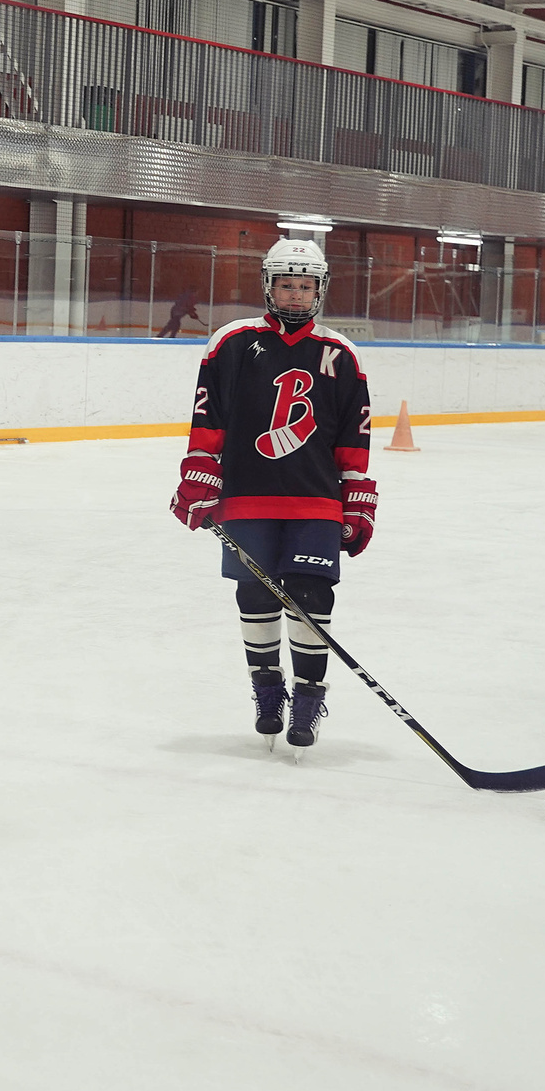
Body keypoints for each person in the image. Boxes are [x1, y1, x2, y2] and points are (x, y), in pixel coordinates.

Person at [168, 238, 377, 753]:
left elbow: (354, 435)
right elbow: (208, 418)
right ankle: (268, 692)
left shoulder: (341, 354)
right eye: (287, 285)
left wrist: (358, 500)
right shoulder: (231, 343)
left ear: (320, 289)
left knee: (312, 596)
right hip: (247, 497)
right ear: (269, 285)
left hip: (316, 501)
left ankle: (307, 697)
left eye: (306, 286)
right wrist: (199, 475)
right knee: (256, 596)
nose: (296, 295)